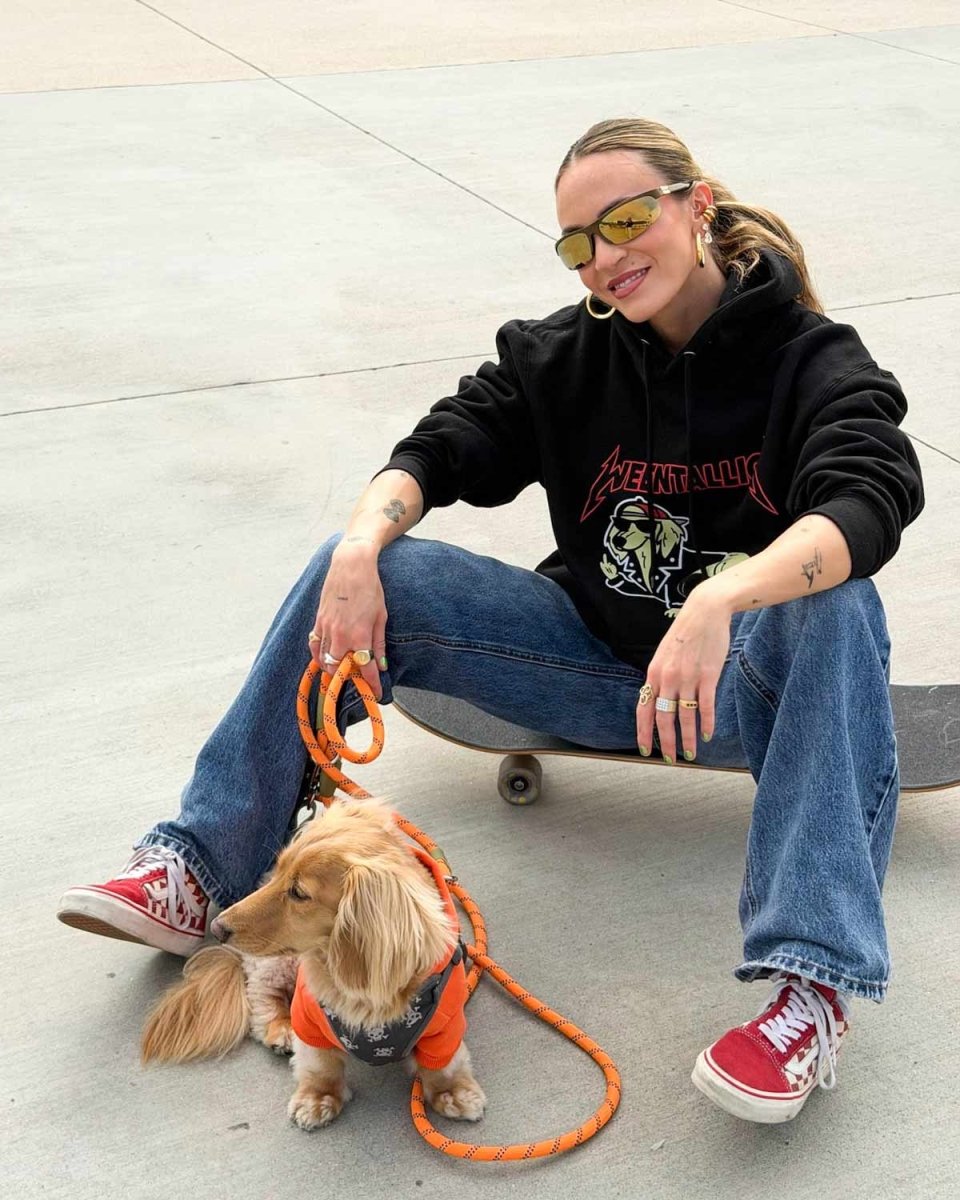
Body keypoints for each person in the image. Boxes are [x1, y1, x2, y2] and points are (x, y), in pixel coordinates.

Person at [58, 117, 923, 1124]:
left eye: (626, 221)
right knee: (368, 565)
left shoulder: (808, 357)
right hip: (587, 665)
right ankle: (198, 863)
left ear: (696, 206)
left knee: (835, 603)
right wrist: (359, 545)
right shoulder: (565, 355)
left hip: (736, 692)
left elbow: (870, 494)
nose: (604, 259)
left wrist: (722, 599)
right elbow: (441, 446)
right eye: (579, 243)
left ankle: (809, 993)